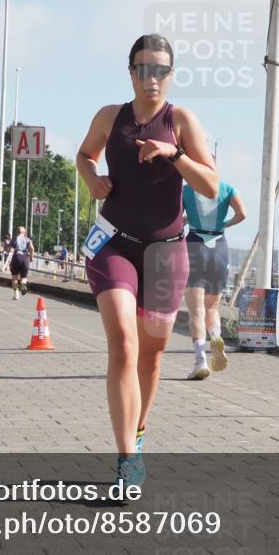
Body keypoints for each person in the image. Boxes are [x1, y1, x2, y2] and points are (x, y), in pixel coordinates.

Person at [76, 33, 217, 490]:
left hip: (165, 251)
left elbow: (212, 185)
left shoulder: (181, 121)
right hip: (114, 242)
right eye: (143, 68)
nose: (151, 77)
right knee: (123, 341)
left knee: (151, 359)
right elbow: (84, 155)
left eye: (160, 69)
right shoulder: (109, 117)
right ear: (131, 72)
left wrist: (174, 154)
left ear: (170, 75)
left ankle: (138, 434)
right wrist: (92, 178)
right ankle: (126, 459)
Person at [182, 179, 247, 380]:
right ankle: (216, 337)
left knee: (196, 311)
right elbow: (242, 214)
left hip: (195, 244)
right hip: (219, 246)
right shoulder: (227, 188)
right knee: (212, 308)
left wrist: (186, 220)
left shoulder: (186, 189)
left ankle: (200, 361)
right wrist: (224, 223)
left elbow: (172, 218)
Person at [9, 227, 35, 300]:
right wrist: (31, 258)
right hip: (25, 257)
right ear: (24, 232)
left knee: (14, 278)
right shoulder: (27, 239)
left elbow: (9, 249)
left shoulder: (14, 239)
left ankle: (16, 294)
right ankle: (23, 284)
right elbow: (32, 249)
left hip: (16, 257)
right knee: (24, 277)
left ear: (17, 232)